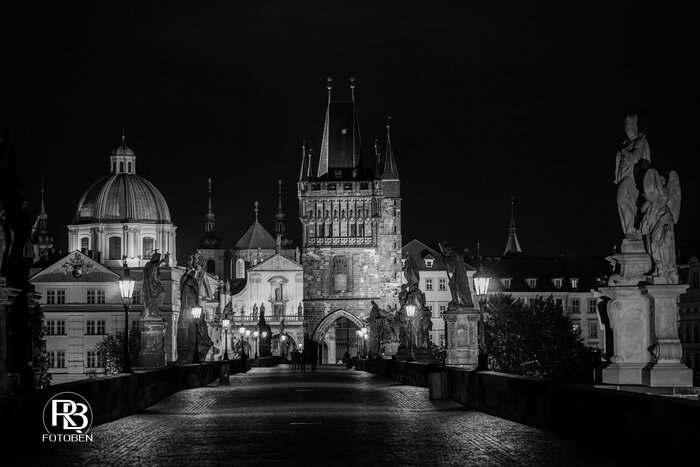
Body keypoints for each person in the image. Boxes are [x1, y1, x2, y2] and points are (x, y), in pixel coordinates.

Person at [615, 114, 651, 240]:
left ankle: (631, 231)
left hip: (632, 178)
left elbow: (635, 157)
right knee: (628, 204)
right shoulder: (625, 143)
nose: (627, 128)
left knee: (621, 199)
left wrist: (624, 152)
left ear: (635, 127)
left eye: (629, 125)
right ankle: (632, 232)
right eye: (626, 125)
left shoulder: (639, 141)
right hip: (623, 178)